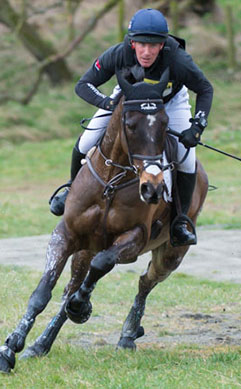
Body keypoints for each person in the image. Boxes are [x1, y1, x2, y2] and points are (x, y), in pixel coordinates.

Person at [50, 8, 213, 247]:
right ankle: (71, 191)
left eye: (154, 45)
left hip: (169, 103)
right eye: (141, 45)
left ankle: (179, 221)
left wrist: (197, 126)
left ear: (163, 44)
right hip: (127, 100)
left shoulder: (178, 59)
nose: (146, 52)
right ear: (132, 42)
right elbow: (83, 84)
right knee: (85, 142)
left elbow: (205, 89)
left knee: (186, 158)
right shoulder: (118, 53)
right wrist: (106, 103)